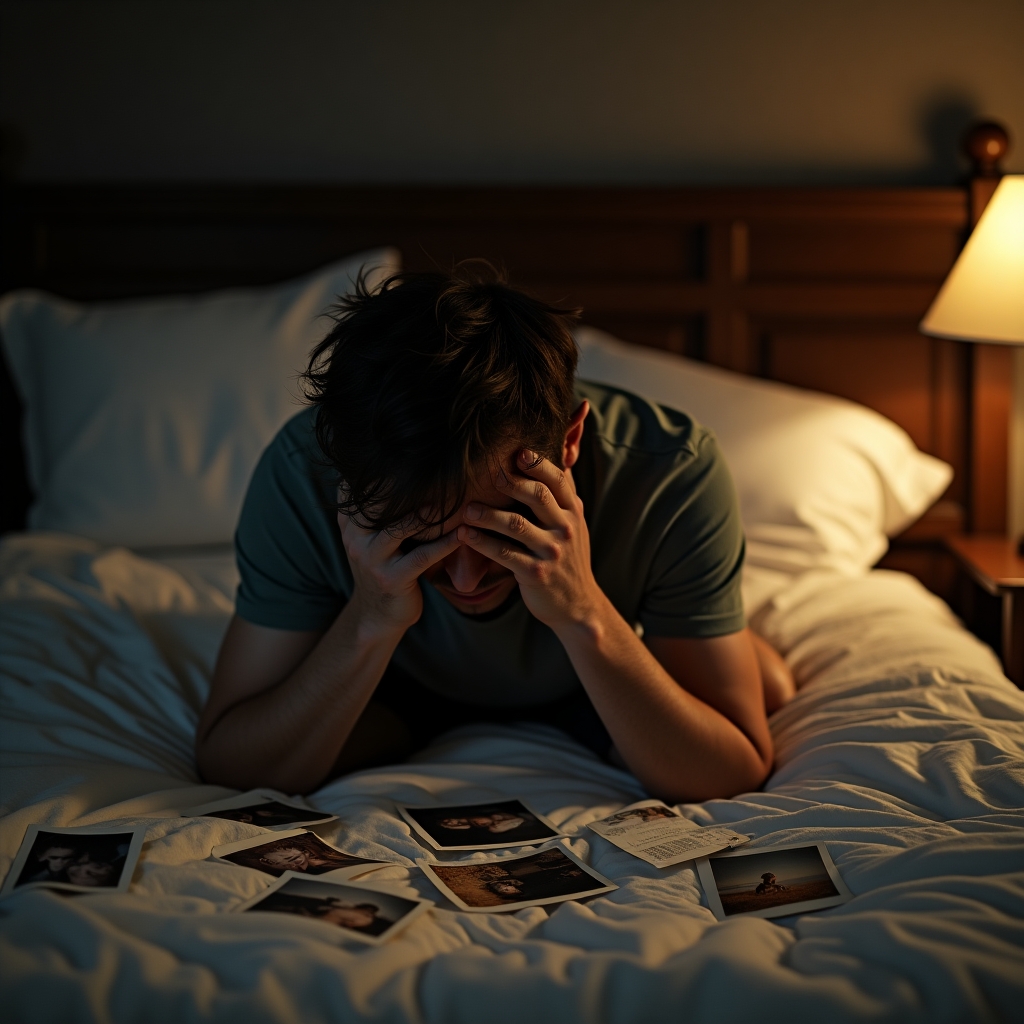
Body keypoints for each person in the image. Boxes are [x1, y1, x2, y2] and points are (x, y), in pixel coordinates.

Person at [196, 264, 795, 803]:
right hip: (394, 683)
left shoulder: (671, 470)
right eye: (419, 539)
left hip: (583, 679)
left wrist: (582, 610)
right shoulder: (304, 471)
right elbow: (231, 765)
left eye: (502, 529)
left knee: (770, 686)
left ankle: (716, 633)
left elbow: (731, 773)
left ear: (569, 441)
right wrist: (372, 616)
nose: (465, 580)